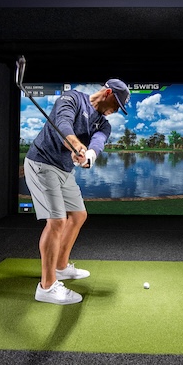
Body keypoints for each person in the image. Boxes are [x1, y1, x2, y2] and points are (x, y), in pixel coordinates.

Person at [24, 79, 131, 305]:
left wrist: (88, 155)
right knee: (57, 221)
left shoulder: (104, 124)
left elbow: (98, 142)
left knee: (78, 215)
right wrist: (75, 144)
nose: (116, 110)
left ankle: (60, 267)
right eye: (116, 104)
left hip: (64, 170)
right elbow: (63, 123)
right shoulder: (72, 98)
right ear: (107, 92)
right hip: (42, 163)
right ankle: (47, 287)